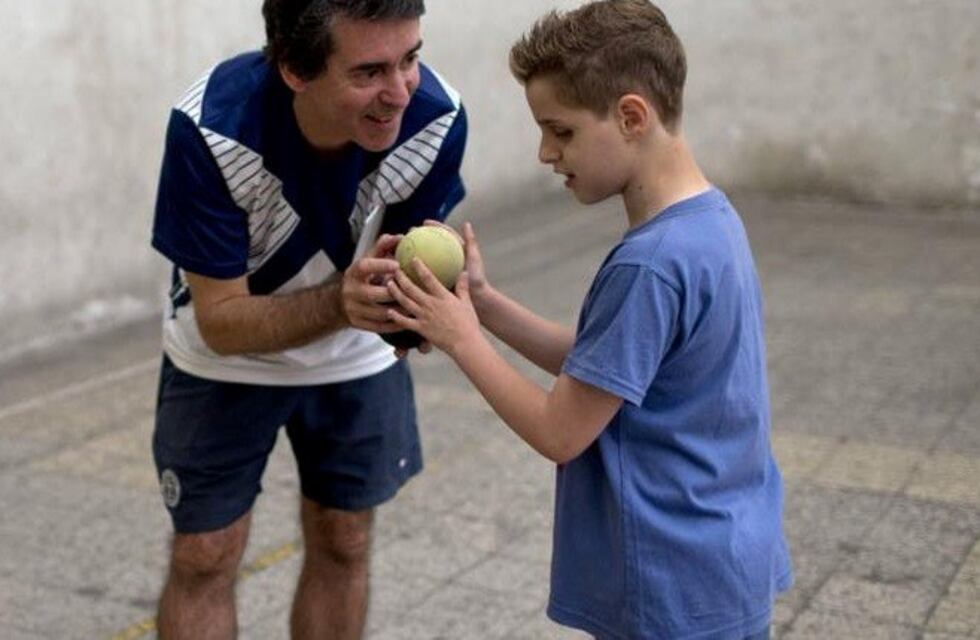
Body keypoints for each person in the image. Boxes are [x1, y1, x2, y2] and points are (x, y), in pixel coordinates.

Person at [386, 1, 792, 638]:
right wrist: (484, 306)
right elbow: (608, 361)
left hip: (668, 584)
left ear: (631, 116)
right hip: (723, 563)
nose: (545, 152)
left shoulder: (649, 264)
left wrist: (460, 338)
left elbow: (561, 431)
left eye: (562, 130)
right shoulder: (710, 222)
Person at [148, 0, 467, 637]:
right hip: (224, 359)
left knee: (345, 537)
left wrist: (419, 317)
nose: (400, 92)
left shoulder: (437, 118)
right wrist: (339, 303)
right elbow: (223, 322)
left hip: (355, 352)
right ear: (295, 67)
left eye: (411, 58)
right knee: (205, 556)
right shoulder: (211, 128)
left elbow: (403, 274)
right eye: (369, 71)